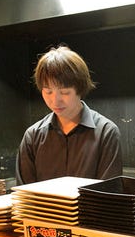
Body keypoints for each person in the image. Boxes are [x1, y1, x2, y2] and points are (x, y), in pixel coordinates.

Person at [16, 45, 122, 185]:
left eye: (65, 92)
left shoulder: (106, 133)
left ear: (80, 88)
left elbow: (109, 195)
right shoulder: (33, 136)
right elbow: (25, 195)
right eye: (48, 92)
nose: (55, 100)